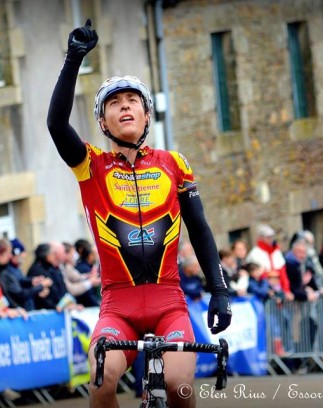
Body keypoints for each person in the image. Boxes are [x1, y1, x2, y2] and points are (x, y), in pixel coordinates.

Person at [47, 20, 231, 408]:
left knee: (181, 386)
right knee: (101, 381)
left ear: (147, 116)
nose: (125, 106)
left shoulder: (174, 164)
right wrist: (73, 59)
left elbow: (199, 230)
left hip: (169, 302)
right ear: (103, 122)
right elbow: (56, 124)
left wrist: (219, 290)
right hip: (119, 306)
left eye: (132, 101)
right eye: (115, 103)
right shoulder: (91, 166)